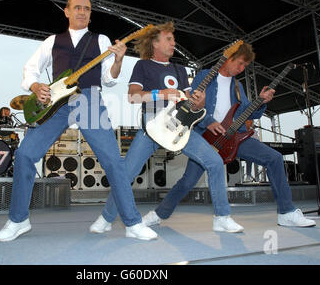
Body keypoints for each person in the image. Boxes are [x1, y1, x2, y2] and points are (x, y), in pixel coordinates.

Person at [0, 0, 158, 242]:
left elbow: (109, 78)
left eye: (87, 9)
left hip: (89, 99)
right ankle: (18, 220)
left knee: (113, 160)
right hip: (56, 104)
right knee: (26, 154)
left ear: (91, 14)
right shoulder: (52, 41)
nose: (83, 12)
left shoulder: (100, 40)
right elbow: (30, 69)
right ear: (67, 11)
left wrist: (118, 59)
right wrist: (36, 86)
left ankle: (132, 222)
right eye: (77, 8)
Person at [90, 22, 245, 234]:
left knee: (215, 162)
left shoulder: (179, 69)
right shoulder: (143, 66)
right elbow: (133, 96)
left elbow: (192, 102)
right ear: (155, 42)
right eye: (169, 39)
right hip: (152, 129)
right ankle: (107, 218)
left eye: (174, 39)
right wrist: (161, 93)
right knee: (125, 175)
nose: (174, 43)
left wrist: (199, 101)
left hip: (180, 129)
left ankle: (222, 217)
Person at [142, 43, 316, 228]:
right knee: (187, 182)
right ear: (229, 58)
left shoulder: (238, 86)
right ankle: (157, 214)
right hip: (206, 137)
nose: (241, 69)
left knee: (274, 158)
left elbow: (250, 113)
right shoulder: (205, 76)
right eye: (240, 63)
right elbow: (191, 105)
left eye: (245, 67)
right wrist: (208, 121)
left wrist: (262, 102)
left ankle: (286, 213)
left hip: (234, 136)